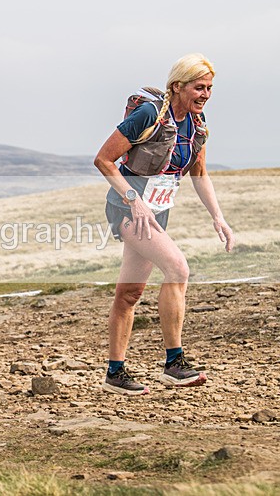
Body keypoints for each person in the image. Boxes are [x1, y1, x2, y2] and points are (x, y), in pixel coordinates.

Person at [94, 53, 234, 396]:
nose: (205, 94)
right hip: (129, 209)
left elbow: (199, 173)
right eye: (198, 87)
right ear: (177, 86)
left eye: (210, 88)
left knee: (129, 293)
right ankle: (174, 363)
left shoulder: (197, 125)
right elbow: (103, 159)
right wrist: (133, 200)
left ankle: (115, 373)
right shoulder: (149, 115)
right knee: (177, 268)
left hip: (158, 211)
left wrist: (218, 217)